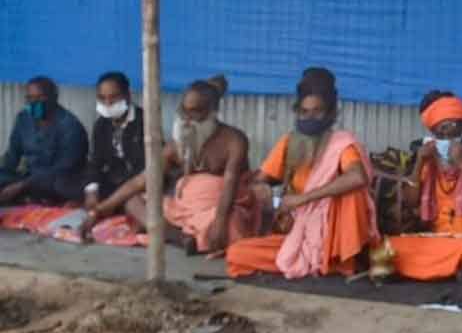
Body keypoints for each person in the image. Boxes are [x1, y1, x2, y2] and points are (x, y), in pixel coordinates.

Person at [226, 75, 377, 278]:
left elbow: (358, 177)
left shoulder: (341, 143)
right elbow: (259, 180)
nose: (310, 119)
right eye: (304, 112)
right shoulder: (289, 141)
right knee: (237, 253)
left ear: (331, 113)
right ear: (297, 112)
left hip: (333, 233)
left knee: (353, 194)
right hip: (299, 230)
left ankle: (339, 259)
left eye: (317, 112)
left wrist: (303, 198)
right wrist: (261, 188)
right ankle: (313, 261)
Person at [91, 76, 259, 253]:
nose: (187, 119)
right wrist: (100, 209)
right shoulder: (176, 145)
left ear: (212, 111)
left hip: (219, 209)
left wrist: (219, 221)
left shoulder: (234, 140)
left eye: (195, 112)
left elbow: (230, 185)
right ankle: (177, 237)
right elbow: (142, 180)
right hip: (182, 209)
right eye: (184, 111)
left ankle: (181, 234)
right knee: (133, 201)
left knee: (231, 225)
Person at [387, 92, 462, 281]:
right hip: (438, 240)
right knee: (389, 245)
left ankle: (424, 267)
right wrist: (419, 164)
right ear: (433, 136)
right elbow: (410, 201)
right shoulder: (430, 162)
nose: (447, 140)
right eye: (441, 134)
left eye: (453, 133)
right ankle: (452, 268)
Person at [0, 76, 88, 205]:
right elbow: (12, 157)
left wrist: (22, 185)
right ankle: (27, 198)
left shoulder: (71, 126)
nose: (34, 102)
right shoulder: (24, 119)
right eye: (30, 98)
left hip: (56, 180)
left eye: (40, 97)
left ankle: (33, 199)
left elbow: (63, 169)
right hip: (27, 176)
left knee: (62, 185)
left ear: (54, 97)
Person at [80, 72, 145, 229]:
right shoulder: (101, 125)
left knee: (134, 199)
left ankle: (116, 207)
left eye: (113, 97)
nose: (107, 103)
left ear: (127, 96)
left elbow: (145, 169)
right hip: (113, 180)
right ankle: (108, 206)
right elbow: (95, 162)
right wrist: (91, 192)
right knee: (75, 183)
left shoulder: (145, 121)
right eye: (102, 98)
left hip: (138, 182)